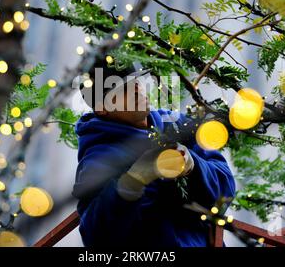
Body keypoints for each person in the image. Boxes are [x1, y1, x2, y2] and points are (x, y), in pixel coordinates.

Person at [72, 59, 236, 247]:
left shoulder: (176, 124)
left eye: (137, 81)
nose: (137, 89)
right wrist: (133, 182)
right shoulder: (98, 160)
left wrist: (194, 166)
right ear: (102, 108)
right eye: (123, 88)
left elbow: (227, 189)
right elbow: (98, 239)